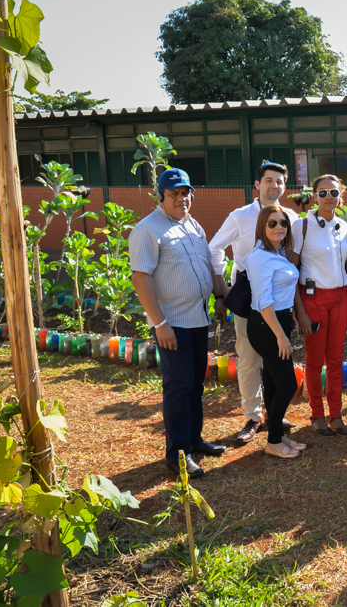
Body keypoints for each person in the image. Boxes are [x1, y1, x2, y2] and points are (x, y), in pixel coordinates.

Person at [130, 168, 228, 478]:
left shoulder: (192, 224)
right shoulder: (148, 230)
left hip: (198, 318)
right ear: (159, 196)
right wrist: (160, 324)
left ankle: (194, 440)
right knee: (178, 386)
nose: (181, 198)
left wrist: (220, 295)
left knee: (195, 383)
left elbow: (206, 264)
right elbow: (140, 278)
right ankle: (177, 454)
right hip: (172, 324)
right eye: (173, 193)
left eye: (185, 193)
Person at [209, 161, 299, 444]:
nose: (274, 185)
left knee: (275, 358)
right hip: (250, 296)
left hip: (281, 300)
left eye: (280, 181)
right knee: (249, 358)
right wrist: (223, 289)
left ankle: (273, 413)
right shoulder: (240, 216)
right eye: (269, 180)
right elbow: (214, 247)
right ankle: (252, 416)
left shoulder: (291, 216)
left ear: (284, 187)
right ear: (257, 185)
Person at [246, 204, 307, 459]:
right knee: (287, 383)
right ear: (262, 226)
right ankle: (273, 441)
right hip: (266, 325)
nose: (279, 227)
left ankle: (277, 435)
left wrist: (288, 320)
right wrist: (281, 336)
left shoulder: (277, 253)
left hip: (278, 322)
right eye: (272, 223)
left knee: (272, 381)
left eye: (283, 223)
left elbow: (280, 293)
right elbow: (263, 301)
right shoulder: (259, 257)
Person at [294, 174, 347, 436]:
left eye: (334, 192)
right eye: (323, 193)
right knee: (315, 359)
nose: (328, 197)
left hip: (341, 298)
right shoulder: (301, 226)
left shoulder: (345, 227)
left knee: (336, 358)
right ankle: (317, 413)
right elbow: (290, 271)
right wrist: (300, 313)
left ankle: (336, 414)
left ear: (341, 195)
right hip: (312, 298)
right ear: (314, 196)